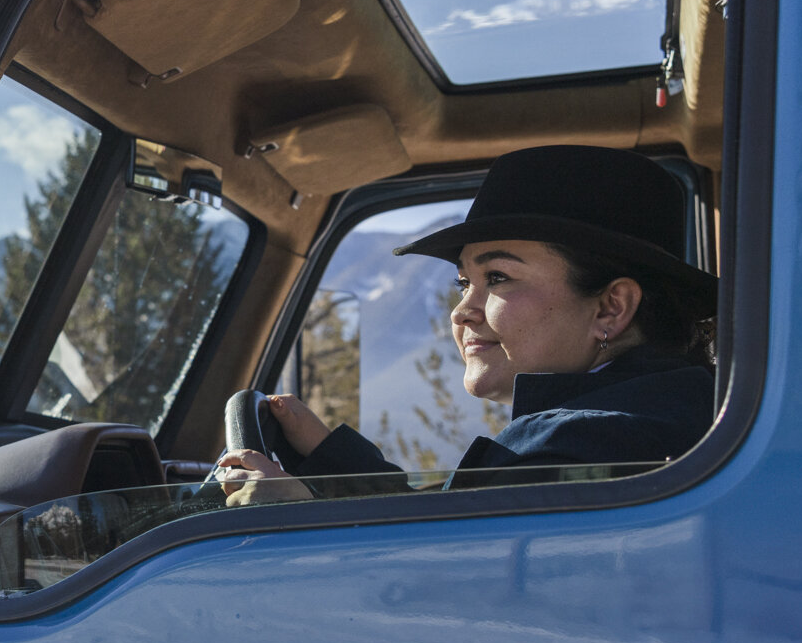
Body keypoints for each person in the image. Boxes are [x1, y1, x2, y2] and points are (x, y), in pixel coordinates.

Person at [218, 145, 717, 500]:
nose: (461, 311)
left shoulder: (577, 448)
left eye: (497, 278)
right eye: (464, 283)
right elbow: (443, 536)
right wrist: (336, 465)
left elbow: (445, 597)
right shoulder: (662, 414)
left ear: (612, 307)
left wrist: (293, 523)